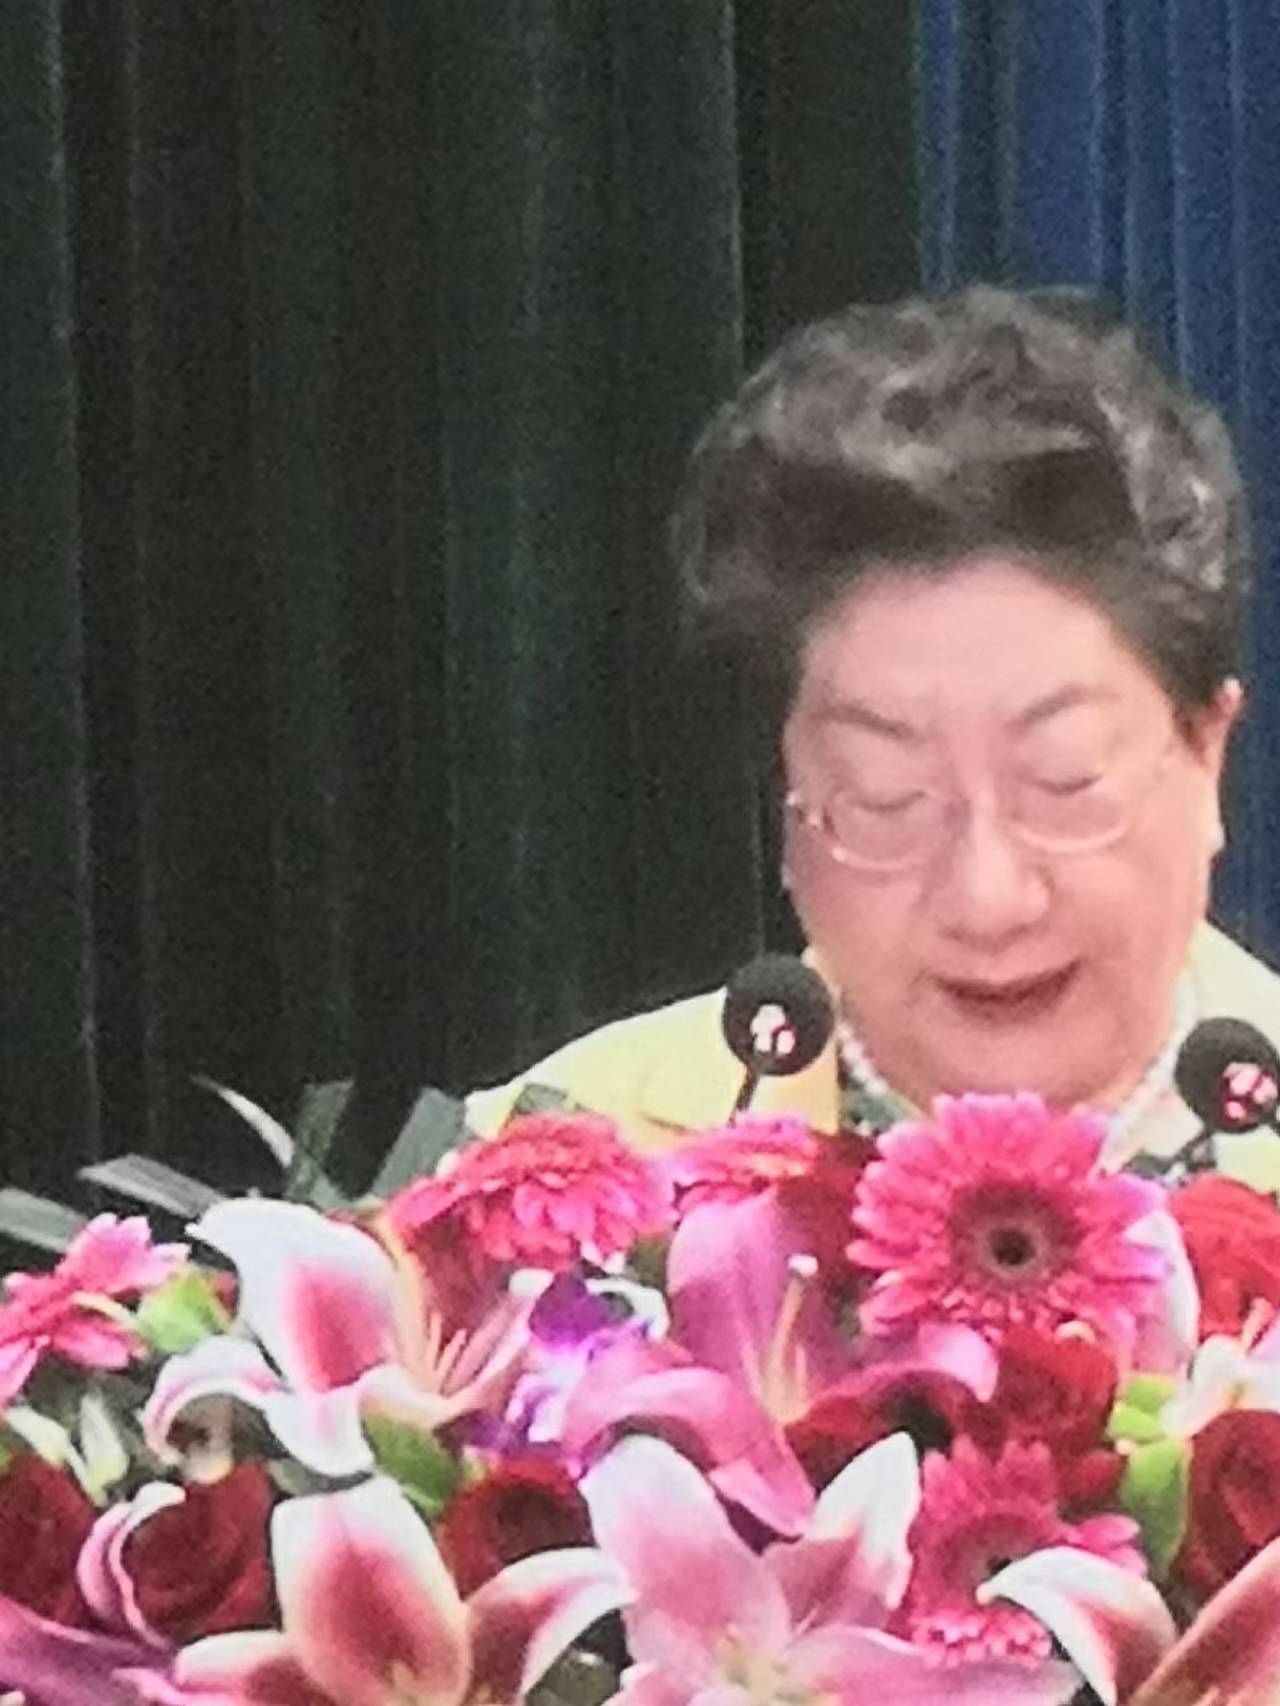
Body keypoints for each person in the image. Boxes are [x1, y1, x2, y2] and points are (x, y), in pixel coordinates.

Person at [467, 286, 1280, 1191]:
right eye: (884, 799)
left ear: (1208, 755)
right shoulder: (553, 1174)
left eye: (1066, 782)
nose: (987, 900)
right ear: (786, 808)